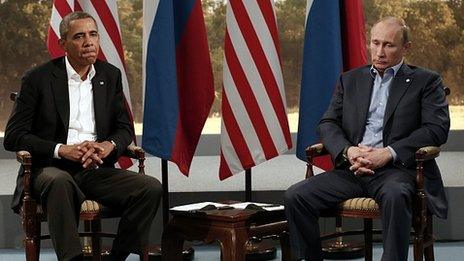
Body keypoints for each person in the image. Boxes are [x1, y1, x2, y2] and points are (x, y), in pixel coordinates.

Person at [284, 17, 450, 261]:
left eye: (389, 45)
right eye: (375, 43)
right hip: (353, 168)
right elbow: (327, 123)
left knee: (396, 196)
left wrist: (387, 153)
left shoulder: (426, 81)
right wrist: (349, 151)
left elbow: (436, 129)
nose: (380, 52)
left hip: (397, 170)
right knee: (295, 196)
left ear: (406, 48)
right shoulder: (350, 80)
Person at [4, 11, 162, 261]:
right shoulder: (38, 78)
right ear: (63, 43)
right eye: (79, 36)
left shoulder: (109, 76)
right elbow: (13, 137)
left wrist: (107, 146)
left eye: (93, 34)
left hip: (94, 169)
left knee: (150, 188)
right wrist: (61, 149)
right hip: (50, 169)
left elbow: (124, 129)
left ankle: (117, 257)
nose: (89, 42)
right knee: (60, 182)